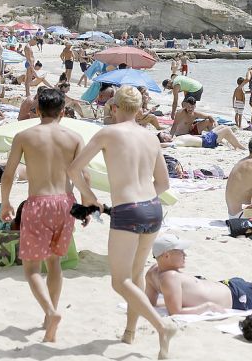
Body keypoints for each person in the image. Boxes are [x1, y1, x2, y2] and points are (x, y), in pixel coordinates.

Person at [67, 87, 178, 359]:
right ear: (139, 109)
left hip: (128, 210)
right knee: (136, 275)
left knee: (119, 281)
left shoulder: (107, 133)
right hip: (152, 208)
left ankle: (161, 326)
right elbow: (163, 183)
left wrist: (91, 196)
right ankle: (129, 332)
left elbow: (72, 168)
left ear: (114, 107)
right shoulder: (151, 137)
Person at [0, 88, 83, 343]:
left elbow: (9, 174)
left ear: (37, 111)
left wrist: (5, 203)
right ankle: (50, 317)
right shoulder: (75, 137)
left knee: (32, 267)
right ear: (63, 112)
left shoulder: (24, 135)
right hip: (65, 203)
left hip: (39, 203)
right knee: (55, 262)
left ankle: (50, 312)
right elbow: (83, 175)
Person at [158, 125, 243, 150]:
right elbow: (163, 145)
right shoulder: (175, 143)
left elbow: (192, 137)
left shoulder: (177, 138)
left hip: (205, 137)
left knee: (222, 126)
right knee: (227, 130)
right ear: (165, 139)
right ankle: (239, 146)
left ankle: (235, 145)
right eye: (165, 135)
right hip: (207, 142)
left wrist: (203, 135)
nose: (167, 133)